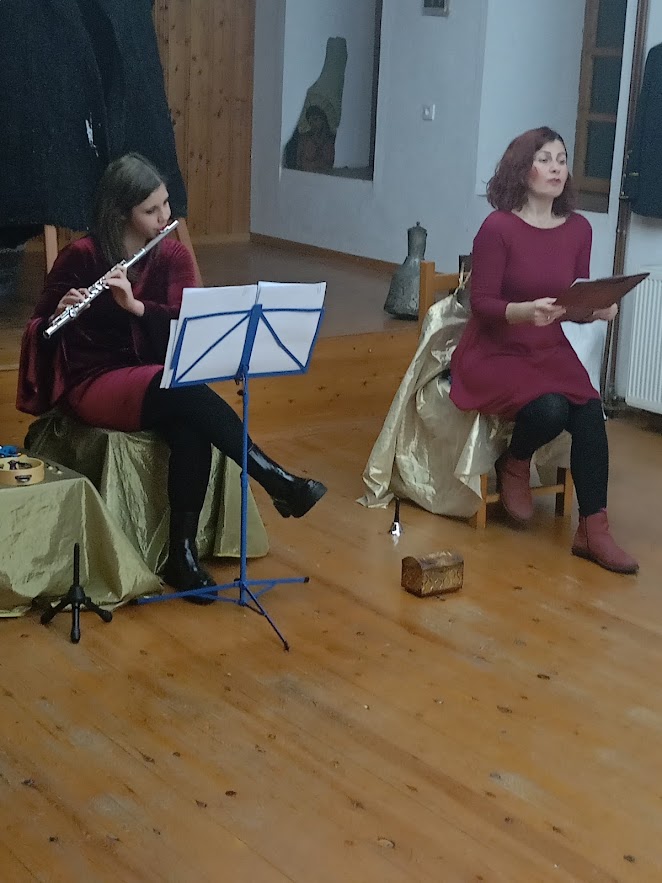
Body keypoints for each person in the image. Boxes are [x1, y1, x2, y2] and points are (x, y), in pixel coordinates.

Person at [17, 153, 327, 600]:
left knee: (188, 419)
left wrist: (137, 308)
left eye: (166, 204)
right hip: (95, 378)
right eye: (152, 210)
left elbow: (190, 325)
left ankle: (182, 554)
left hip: (159, 377)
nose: (165, 216)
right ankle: (276, 480)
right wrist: (59, 317)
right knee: (182, 392)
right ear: (121, 213)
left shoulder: (173, 254)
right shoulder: (82, 256)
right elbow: (38, 330)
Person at [449, 126, 637, 574]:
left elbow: (570, 300)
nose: (556, 169)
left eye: (562, 160)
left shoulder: (579, 229)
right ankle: (515, 462)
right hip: (496, 348)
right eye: (545, 159)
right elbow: (482, 304)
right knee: (551, 408)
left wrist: (597, 310)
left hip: (547, 347)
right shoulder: (498, 227)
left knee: (589, 411)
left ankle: (593, 530)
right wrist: (523, 312)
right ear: (522, 168)